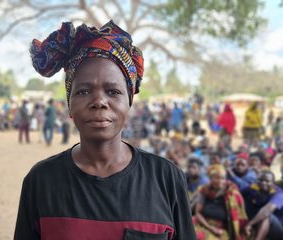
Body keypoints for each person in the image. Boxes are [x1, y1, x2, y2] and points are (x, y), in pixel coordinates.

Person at [14, 20, 196, 239]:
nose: (99, 101)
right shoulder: (41, 181)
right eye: (83, 92)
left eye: (113, 91)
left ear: (129, 102)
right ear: (69, 105)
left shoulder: (166, 179)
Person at [194, 164, 248, 240]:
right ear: (210, 179)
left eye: (222, 178)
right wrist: (210, 228)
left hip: (221, 228)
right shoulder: (205, 190)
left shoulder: (231, 192)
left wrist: (215, 229)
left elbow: (237, 215)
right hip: (202, 222)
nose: (220, 181)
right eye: (216, 178)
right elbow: (198, 213)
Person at [242, 170, 283, 240]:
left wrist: (249, 224)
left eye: (267, 181)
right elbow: (238, 194)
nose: (263, 183)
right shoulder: (253, 187)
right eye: (261, 180)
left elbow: (268, 209)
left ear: (273, 182)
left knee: (266, 216)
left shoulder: (279, 193)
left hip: (277, 229)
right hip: (256, 222)